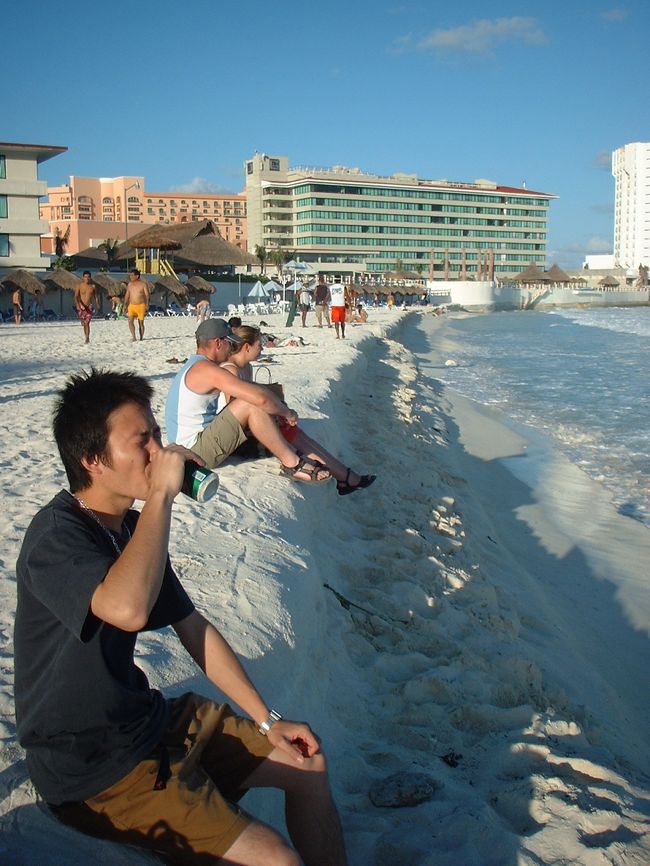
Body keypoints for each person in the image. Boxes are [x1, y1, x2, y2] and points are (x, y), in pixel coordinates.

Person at [15, 368, 348, 866]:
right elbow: (125, 609)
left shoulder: (129, 525)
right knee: (276, 859)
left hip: (149, 721)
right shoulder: (55, 539)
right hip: (91, 768)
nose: (159, 451)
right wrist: (164, 496)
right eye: (142, 441)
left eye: (158, 435)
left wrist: (267, 720)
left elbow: (193, 628)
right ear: (92, 461)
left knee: (307, 760)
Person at [165, 318, 331, 484]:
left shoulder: (194, 365)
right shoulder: (206, 369)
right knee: (250, 403)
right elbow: (257, 398)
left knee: (254, 406)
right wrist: (286, 412)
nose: (232, 349)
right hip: (195, 452)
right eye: (230, 343)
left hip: (190, 445)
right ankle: (292, 463)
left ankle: (302, 457)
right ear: (218, 343)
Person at [220, 326, 376, 495]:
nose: (262, 348)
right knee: (291, 434)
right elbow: (234, 411)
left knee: (296, 433)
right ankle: (345, 477)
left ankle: (344, 475)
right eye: (259, 344)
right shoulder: (231, 370)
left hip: (248, 428)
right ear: (246, 347)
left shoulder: (246, 367)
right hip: (236, 439)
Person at [123, 268, 150, 341]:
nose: (130, 277)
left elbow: (147, 295)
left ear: (137, 276)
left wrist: (147, 304)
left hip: (141, 306)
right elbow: (127, 295)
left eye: (132, 275)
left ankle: (141, 337)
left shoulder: (143, 284)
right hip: (131, 306)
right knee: (130, 321)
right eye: (130, 276)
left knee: (140, 323)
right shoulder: (130, 284)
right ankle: (134, 337)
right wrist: (125, 305)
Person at [74, 271, 98, 343]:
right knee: (84, 324)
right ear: (83, 277)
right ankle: (86, 336)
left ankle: (87, 338)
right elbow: (76, 297)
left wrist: (98, 304)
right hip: (81, 307)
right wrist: (78, 305)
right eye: (85, 277)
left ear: (90, 278)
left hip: (89, 307)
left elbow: (96, 296)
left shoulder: (93, 286)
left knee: (87, 323)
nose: (87, 278)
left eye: (88, 277)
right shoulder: (79, 286)